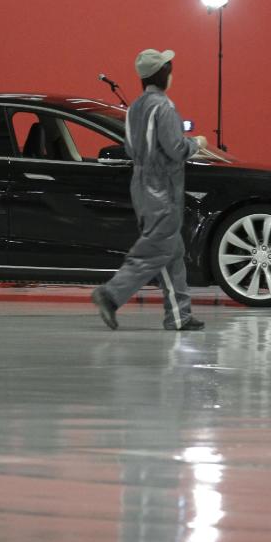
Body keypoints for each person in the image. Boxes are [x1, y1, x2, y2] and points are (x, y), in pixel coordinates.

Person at [92, 48, 208, 332]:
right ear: (164, 74)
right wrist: (198, 143)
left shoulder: (134, 109)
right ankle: (111, 294)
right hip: (163, 188)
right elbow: (176, 148)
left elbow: (131, 148)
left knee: (172, 252)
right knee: (154, 251)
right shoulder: (164, 107)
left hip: (141, 184)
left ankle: (178, 316)